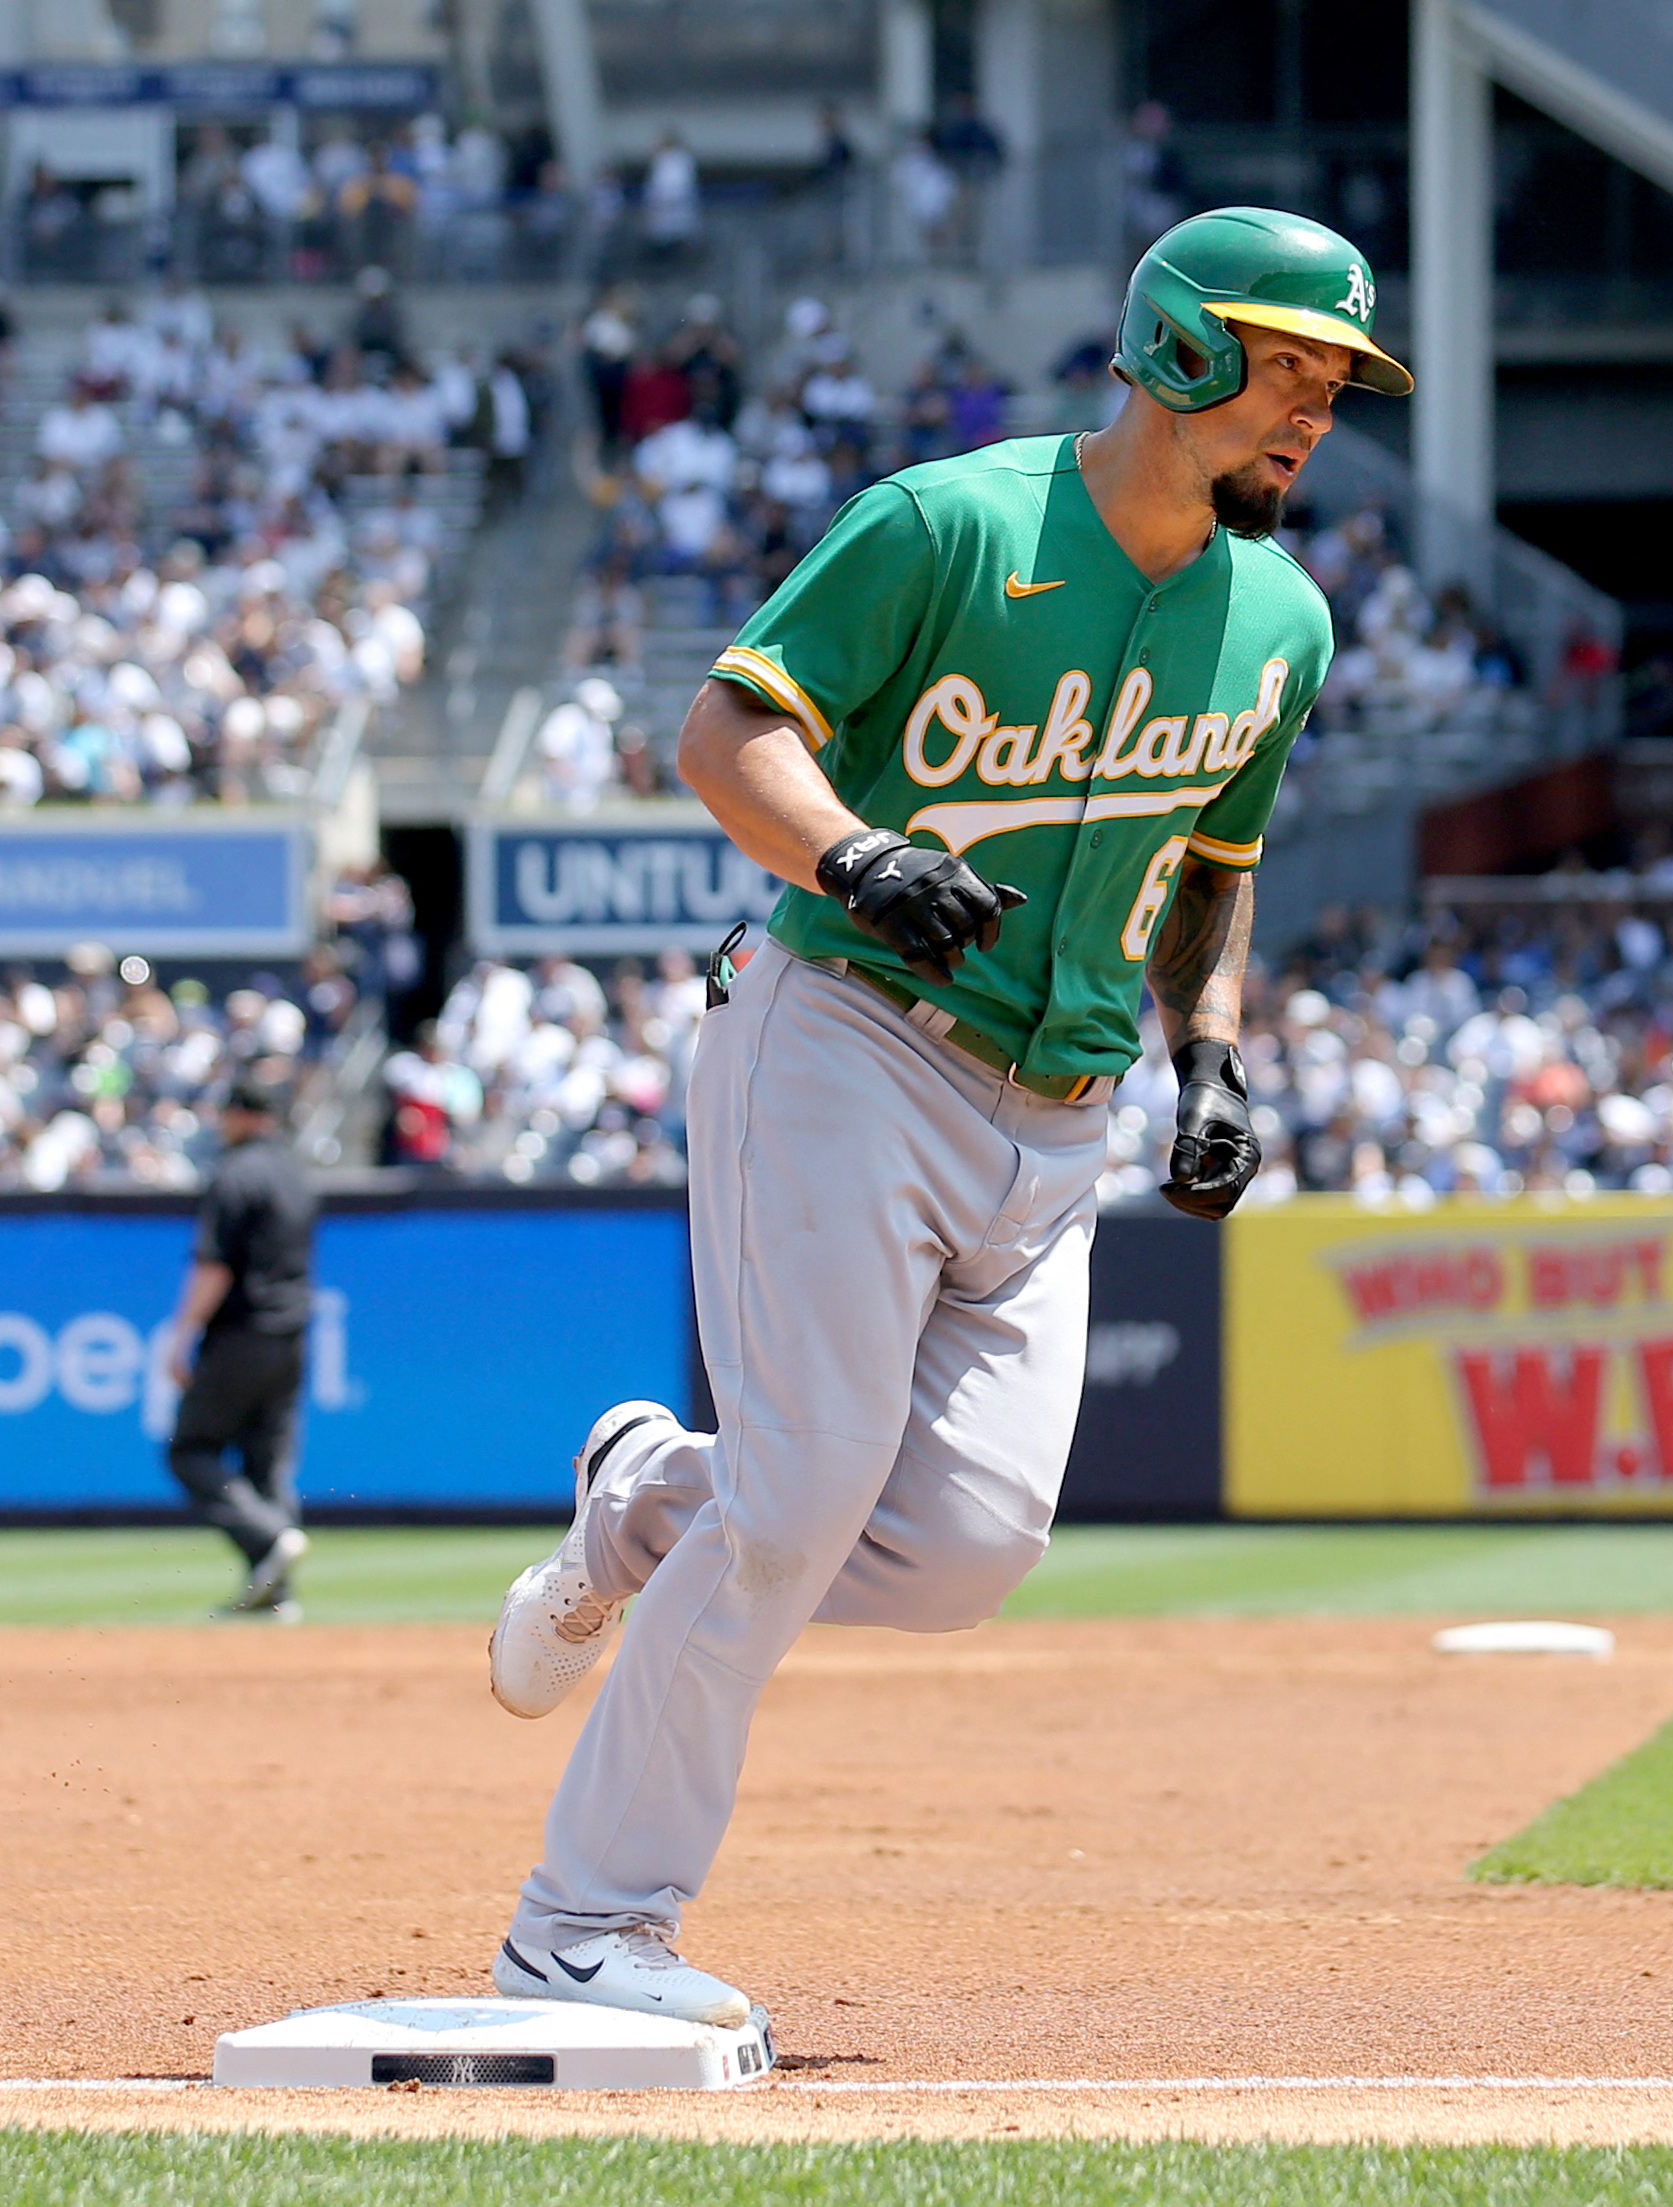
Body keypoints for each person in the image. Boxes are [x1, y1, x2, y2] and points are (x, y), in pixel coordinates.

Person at [481, 207, 1413, 2030]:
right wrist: (852, 849)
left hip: (1061, 1117)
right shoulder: (952, 524)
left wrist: (1208, 1058)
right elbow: (725, 731)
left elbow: (1209, 869)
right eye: (1290, 365)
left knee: (966, 1546)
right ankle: (584, 1927)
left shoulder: (1280, 620)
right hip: (847, 1037)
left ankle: (638, 1495)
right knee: (803, 1502)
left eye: (1334, 382)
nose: (1314, 410)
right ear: (1181, 349)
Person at [164, 1074, 322, 1619]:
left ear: (236, 1114)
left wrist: (181, 1334)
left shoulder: (234, 1174)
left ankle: (268, 1537)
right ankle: (276, 1595)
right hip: (292, 1334)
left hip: (240, 1334)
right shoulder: (294, 1175)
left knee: (189, 1448)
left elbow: (215, 1266)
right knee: (269, 1462)